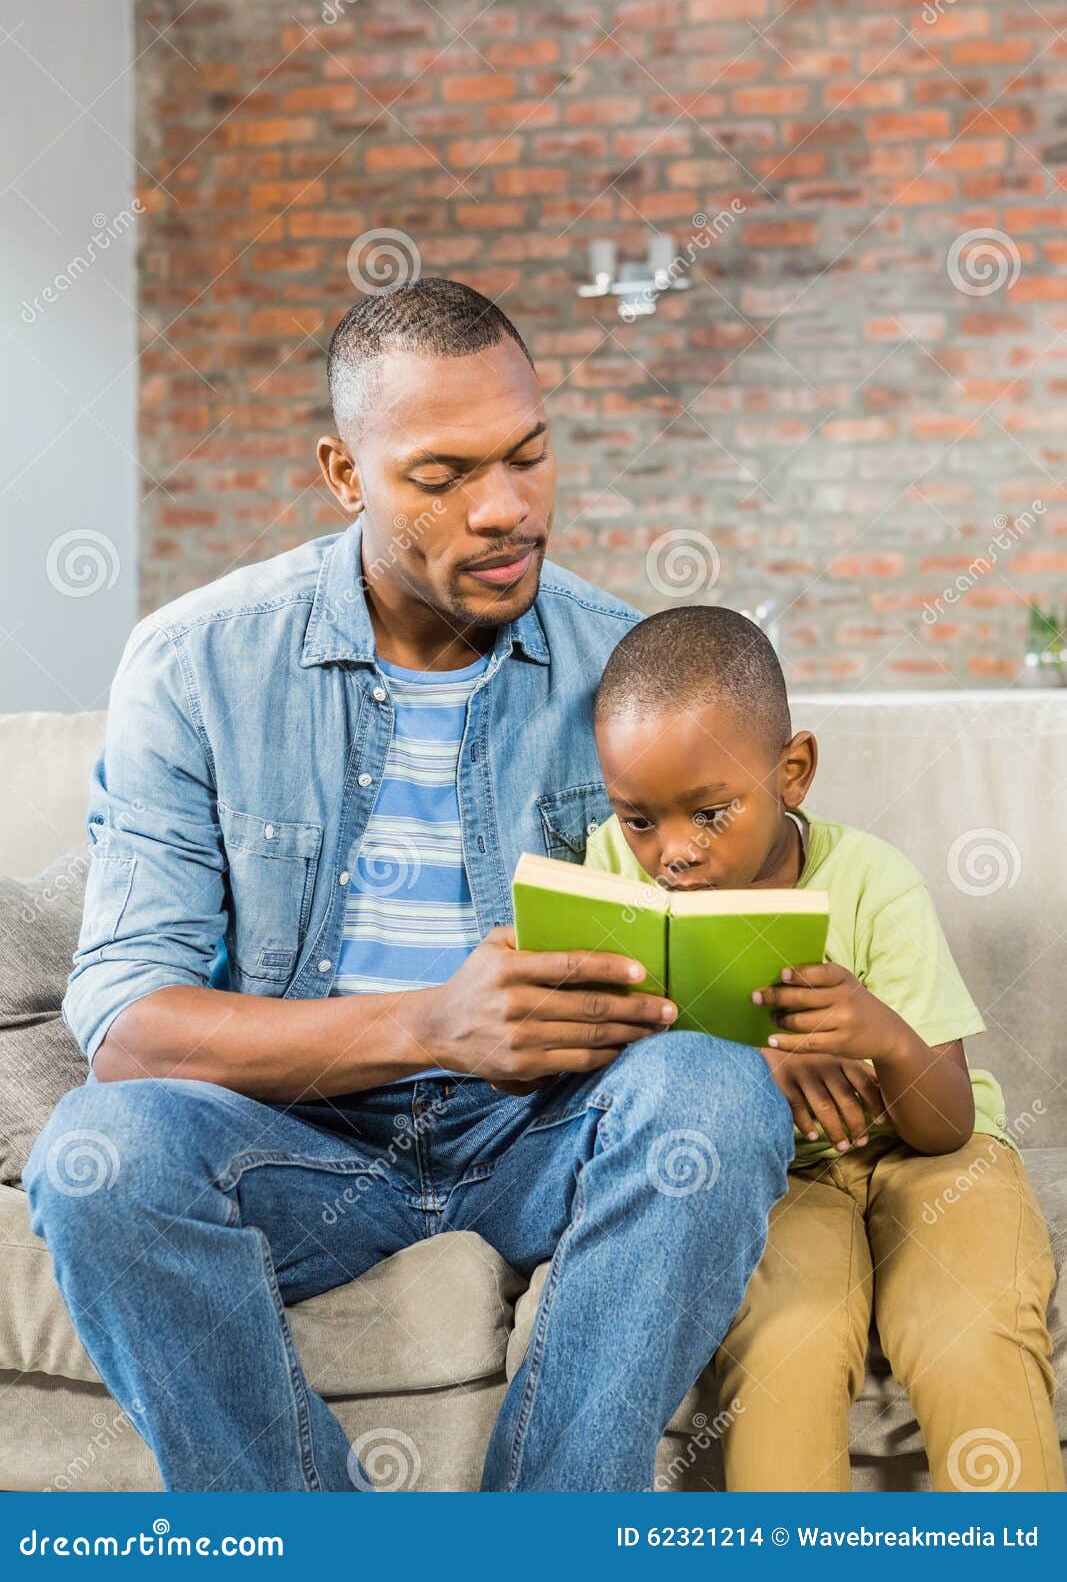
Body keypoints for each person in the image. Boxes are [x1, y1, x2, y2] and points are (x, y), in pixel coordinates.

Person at [24, 278, 793, 1493]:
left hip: (541, 1129)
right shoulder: (194, 664)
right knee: (99, 1156)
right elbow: (126, 1023)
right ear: (345, 474)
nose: (506, 509)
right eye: (442, 476)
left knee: (716, 1093)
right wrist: (432, 1023)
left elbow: (747, 907)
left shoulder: (627, 665)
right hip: (294, 1139)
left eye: (527, 455)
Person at [585, 604, 1064, 1492]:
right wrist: (749, 1062)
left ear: (792, 772)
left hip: (928, 1159)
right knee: (782, 1351)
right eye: (639, 819)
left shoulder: (873, 882)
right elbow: (596, 1065)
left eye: (710, 813)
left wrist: (882, 1035)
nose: (673, 854)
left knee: (970, 1330)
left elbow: (946, 1126)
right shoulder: (612, 874)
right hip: (774, 1180)